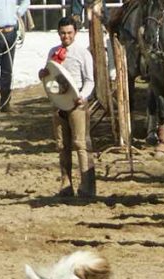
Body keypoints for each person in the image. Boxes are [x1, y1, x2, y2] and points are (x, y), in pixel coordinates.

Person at [40, 17, 96, 197]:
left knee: (81, 144)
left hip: (77, 103)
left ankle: (87, 186)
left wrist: (82, 96)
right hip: (58, 103)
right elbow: (50, 77)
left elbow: (90, 80)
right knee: (62, 145)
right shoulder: (53, 52)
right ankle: (66, 184)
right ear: (59, 33)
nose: (66, 36)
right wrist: (43, 75)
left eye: (69, 33)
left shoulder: (82, 53)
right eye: (63, 33)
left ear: (75, 33)